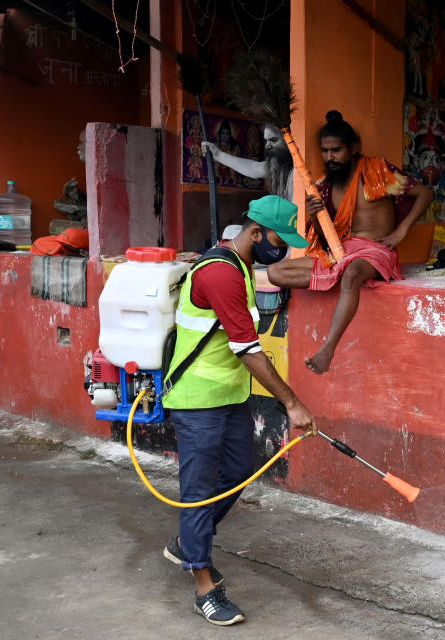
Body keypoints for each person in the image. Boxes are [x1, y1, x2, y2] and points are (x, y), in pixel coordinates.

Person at [161, 195, 317, 626]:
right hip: (197, 400)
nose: (281, 247)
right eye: (277, 239)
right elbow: (246, 346)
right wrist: (292, 403)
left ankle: (186, 545)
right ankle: (204, 586)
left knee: (237, 472)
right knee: (199, 490)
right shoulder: (220, 273)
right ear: (254, 232)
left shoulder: (244, 267)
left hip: (228, 396)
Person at [266, 111, 435, 374]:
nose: (330, 157)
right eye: (325, 151)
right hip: (340, 252)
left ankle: (328, 350)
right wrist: (314, 215)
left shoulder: (377, 171)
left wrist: (401, 232)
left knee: (351, 275)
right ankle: (333, 276)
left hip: (375, 251)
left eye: (336, 150)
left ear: (353, 148)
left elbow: (425, 193)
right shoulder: (322, 186)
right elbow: (321, 241)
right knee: (275, 272)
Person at [202, 123, 294, 200]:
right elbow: (254, 168)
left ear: (288, 140)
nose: (267, 146)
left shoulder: (296, 170)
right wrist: (217, 154)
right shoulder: (279, 166)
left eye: (273, 140)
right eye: (266, 141)